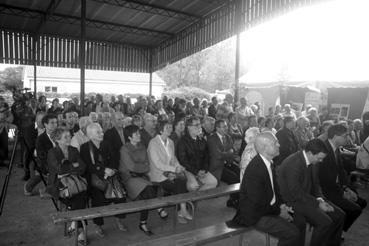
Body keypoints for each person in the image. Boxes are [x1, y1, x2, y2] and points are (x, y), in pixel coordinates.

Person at [231, 132, 302, 246]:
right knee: (293, 233)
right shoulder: (255, 170)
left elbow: (275, 190)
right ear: (265, 148)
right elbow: (257, 203)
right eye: (275, 143)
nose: (279, 145)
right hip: (255, 215)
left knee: (300, 219)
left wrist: (282, 205)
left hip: (267, 208)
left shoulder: (268, 162)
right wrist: (279, 211)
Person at [277, 139, 345, 246]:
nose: (321, 161)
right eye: (320, 158)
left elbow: (316, 183)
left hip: (307, 197)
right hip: (293, 200)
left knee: (340, 215)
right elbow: (296, 192)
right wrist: (317, 204)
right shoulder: (294, 163)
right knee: (325, 222)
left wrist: (320, 198)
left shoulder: (313, 159)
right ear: (309, 153)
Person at [318, 124, 367, 235]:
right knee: (355, 209)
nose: (347, 138)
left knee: (362, 202)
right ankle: (336, 231)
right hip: (326, 190)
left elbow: (341, 171)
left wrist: (347, 187)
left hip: (336, 186)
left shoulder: (335, 148)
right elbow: (326, 179)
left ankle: (338, 229)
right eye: (345, 136)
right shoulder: (324, 150)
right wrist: (343, 192)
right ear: (335, 137)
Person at [80, 123, 126, 238]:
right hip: (95, 180)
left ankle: (119, 218)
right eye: (98, 132)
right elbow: (88, 166)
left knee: (120, 195)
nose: (102, 133)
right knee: (98, 198)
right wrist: (103, 170)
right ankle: (98, 225)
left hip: (111, 176)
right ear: (90, 135)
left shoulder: (107, 144)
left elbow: (115, 159)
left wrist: (111, 170)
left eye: (101, 131)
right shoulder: (85, 147)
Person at [45, 128, 88, 244]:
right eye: (66, 137)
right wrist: (74, 166)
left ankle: (74, 223)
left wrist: (67, 167)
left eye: (69, 136)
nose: (69, 138)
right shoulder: (52, 152)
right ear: (57, 140)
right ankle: (79, 231)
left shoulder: (73, 150)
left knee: (81, 195)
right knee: (78, 198)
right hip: (57, 185)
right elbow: (59, 170)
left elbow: (83, 167)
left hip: (74, 181)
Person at [147, 120, 193, 224]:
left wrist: (178, 166)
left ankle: (182, 208)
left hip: (169, 172)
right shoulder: (153, 143)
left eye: (171, 127)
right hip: (158, 175)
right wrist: (173, 170)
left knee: (183, 179)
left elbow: (173, 159)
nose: (170, 129)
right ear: (160, 129)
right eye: (167, 127)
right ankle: (182, 210)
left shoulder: (170, 142)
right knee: (180, 183)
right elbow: (157, 164)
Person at [119, 125, 157, 235]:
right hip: (129, 178)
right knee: (149, 190)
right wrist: (142, 167)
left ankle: (143, 223)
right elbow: (131, 167)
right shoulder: (125, 149)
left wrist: (141, 167)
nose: (139, 135)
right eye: (136, 134)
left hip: (141, 177)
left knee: (147, 193)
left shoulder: (142, 146)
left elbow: (147, 164)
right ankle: (158, 209)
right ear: (129, 137)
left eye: (138, 133)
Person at [177, 116, 217, 191]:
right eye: (196, 125)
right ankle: (193, 196)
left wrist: (204, 169)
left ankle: (194, 197)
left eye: (199, 124)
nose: (199, 127)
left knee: (213, 182)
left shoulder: (201, 139)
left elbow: (207, 156)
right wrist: (196, 172)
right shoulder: (182, 142)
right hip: (189, 169)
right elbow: (183, 161)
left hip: (201, 169)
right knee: (193, 186)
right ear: (189, 127)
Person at [24, 114, 58, 195]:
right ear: (45, 124)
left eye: (56, 122)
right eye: (52, 123)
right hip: (44, 163)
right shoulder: (41, 139)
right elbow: (42, 157)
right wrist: (49, 169)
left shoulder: (59, 134)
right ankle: (28, 187)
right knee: (39, 176)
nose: (55, 125)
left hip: (57, 161)